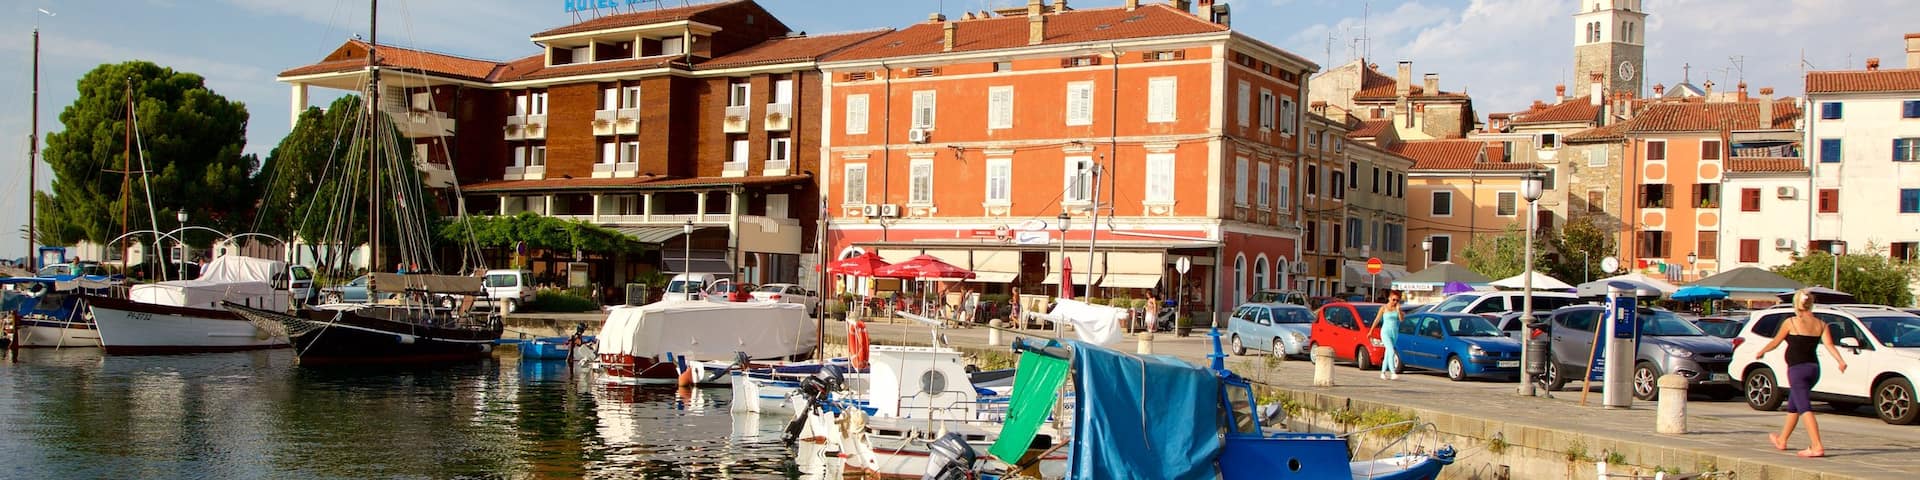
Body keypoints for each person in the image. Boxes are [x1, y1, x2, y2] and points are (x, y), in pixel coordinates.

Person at [1752, 289, 1849, 458]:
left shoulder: (1791, 322)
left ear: (1796, 304)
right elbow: (1830, 346)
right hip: (1813, 369)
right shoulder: (1821, 324)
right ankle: (1782, 439)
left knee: (1804, 407)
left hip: (1797, 370)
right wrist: (1840, 361)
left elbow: (1776, 342)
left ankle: (1817, 446)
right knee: (1793, 405)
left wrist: (1761, 352)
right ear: (1810, 304)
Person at [1366, 290, 1405, 380]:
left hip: (1394, 332)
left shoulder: (1397, 308)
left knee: (1388, 352)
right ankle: (1392, 372)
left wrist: (1399, 310)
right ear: (1389, 298)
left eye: (1397, 300)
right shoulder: (1383, 308)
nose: (1395, 302)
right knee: (1391, 351)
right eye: (1394, 299)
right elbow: (1377, 320)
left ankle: (1383, 372)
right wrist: (1371, 331)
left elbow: (1401, 319)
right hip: (1385, 332)